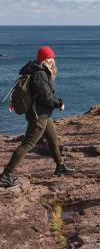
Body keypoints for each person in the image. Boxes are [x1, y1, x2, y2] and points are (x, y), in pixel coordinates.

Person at [0, 46, 75, 187]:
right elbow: (46, 96)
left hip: (43, 114)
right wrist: (59, 103)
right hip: (38, 116)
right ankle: (6, 175)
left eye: (52, 58)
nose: (52, 61)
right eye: (48, 58)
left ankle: (60, 165)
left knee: (53, 139)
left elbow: (44, 95)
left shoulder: (38, 71)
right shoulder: (39, 74)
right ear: (42, 59)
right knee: (27, 144)